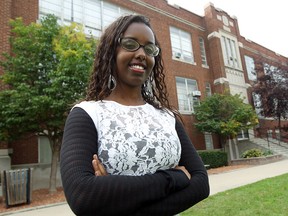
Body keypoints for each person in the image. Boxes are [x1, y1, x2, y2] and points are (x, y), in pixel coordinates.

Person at [60, 14, 209, 216]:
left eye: (149, 49)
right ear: (111, 51)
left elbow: (201, 184)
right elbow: (83, 196)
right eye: (130, 44)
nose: (141, 54)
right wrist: (175, 178)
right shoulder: (87, 114)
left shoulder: (167, 117)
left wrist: (113, 195)